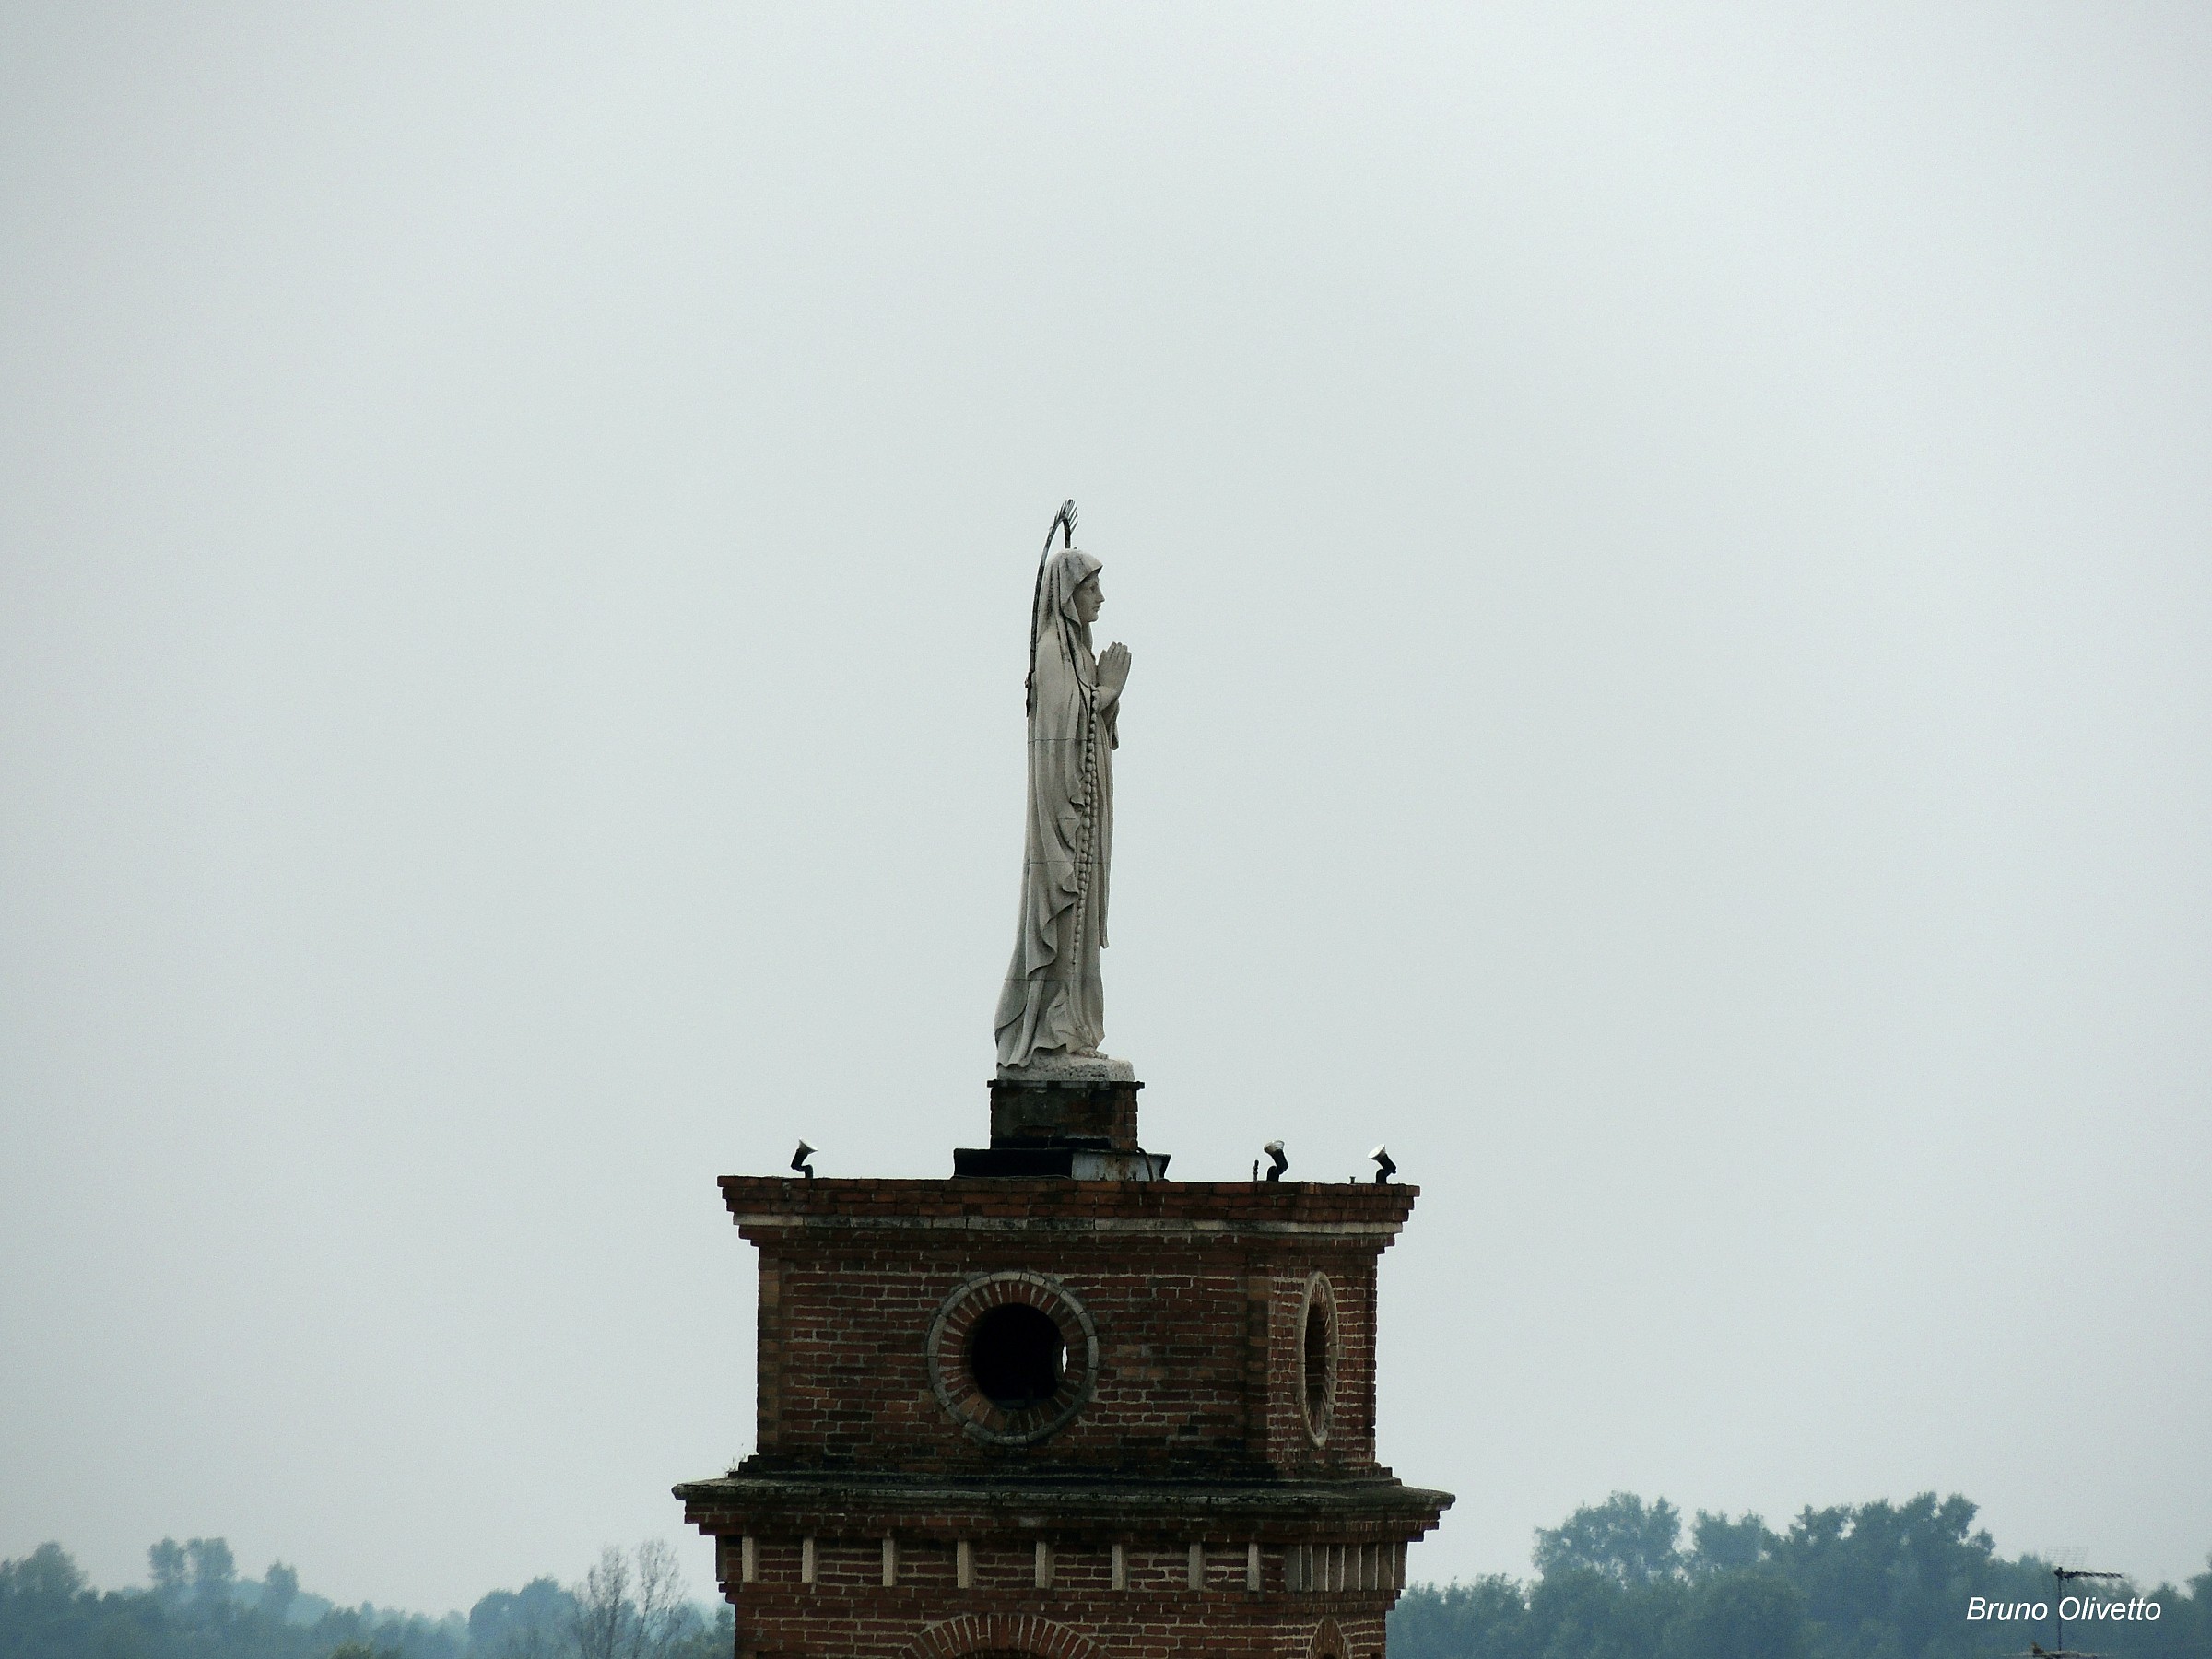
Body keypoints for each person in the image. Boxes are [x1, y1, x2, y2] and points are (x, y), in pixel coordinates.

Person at [994, 547, 1131, 1069]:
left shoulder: (1078, 654)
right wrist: (1107, 693)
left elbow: (1090, 724)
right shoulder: (1052, 652)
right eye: (1091, 587)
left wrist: (1102, 698)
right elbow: (1059, 728)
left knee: (1084, 916)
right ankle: (1050, 1027)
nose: (1100, 597)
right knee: (1063, 914)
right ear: (1069, 594)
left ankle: (1074, 1026)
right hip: (1063, 816)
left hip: (1088, 810)